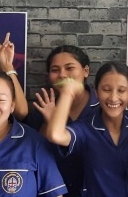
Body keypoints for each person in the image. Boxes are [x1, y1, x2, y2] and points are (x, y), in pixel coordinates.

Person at [46, 62, 128, 197]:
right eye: (106, 90)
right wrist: (67, 93)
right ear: (96, 92)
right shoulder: (86, 128)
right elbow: (55, 135)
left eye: (121, 91)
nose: (113, 98)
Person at [25, 45, 98, 197]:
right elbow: (35, 157)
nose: (62, 75)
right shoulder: (44, 109)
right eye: (55, 70)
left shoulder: (103, 108)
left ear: (85, 71)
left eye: (69, 68)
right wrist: (48, 123)